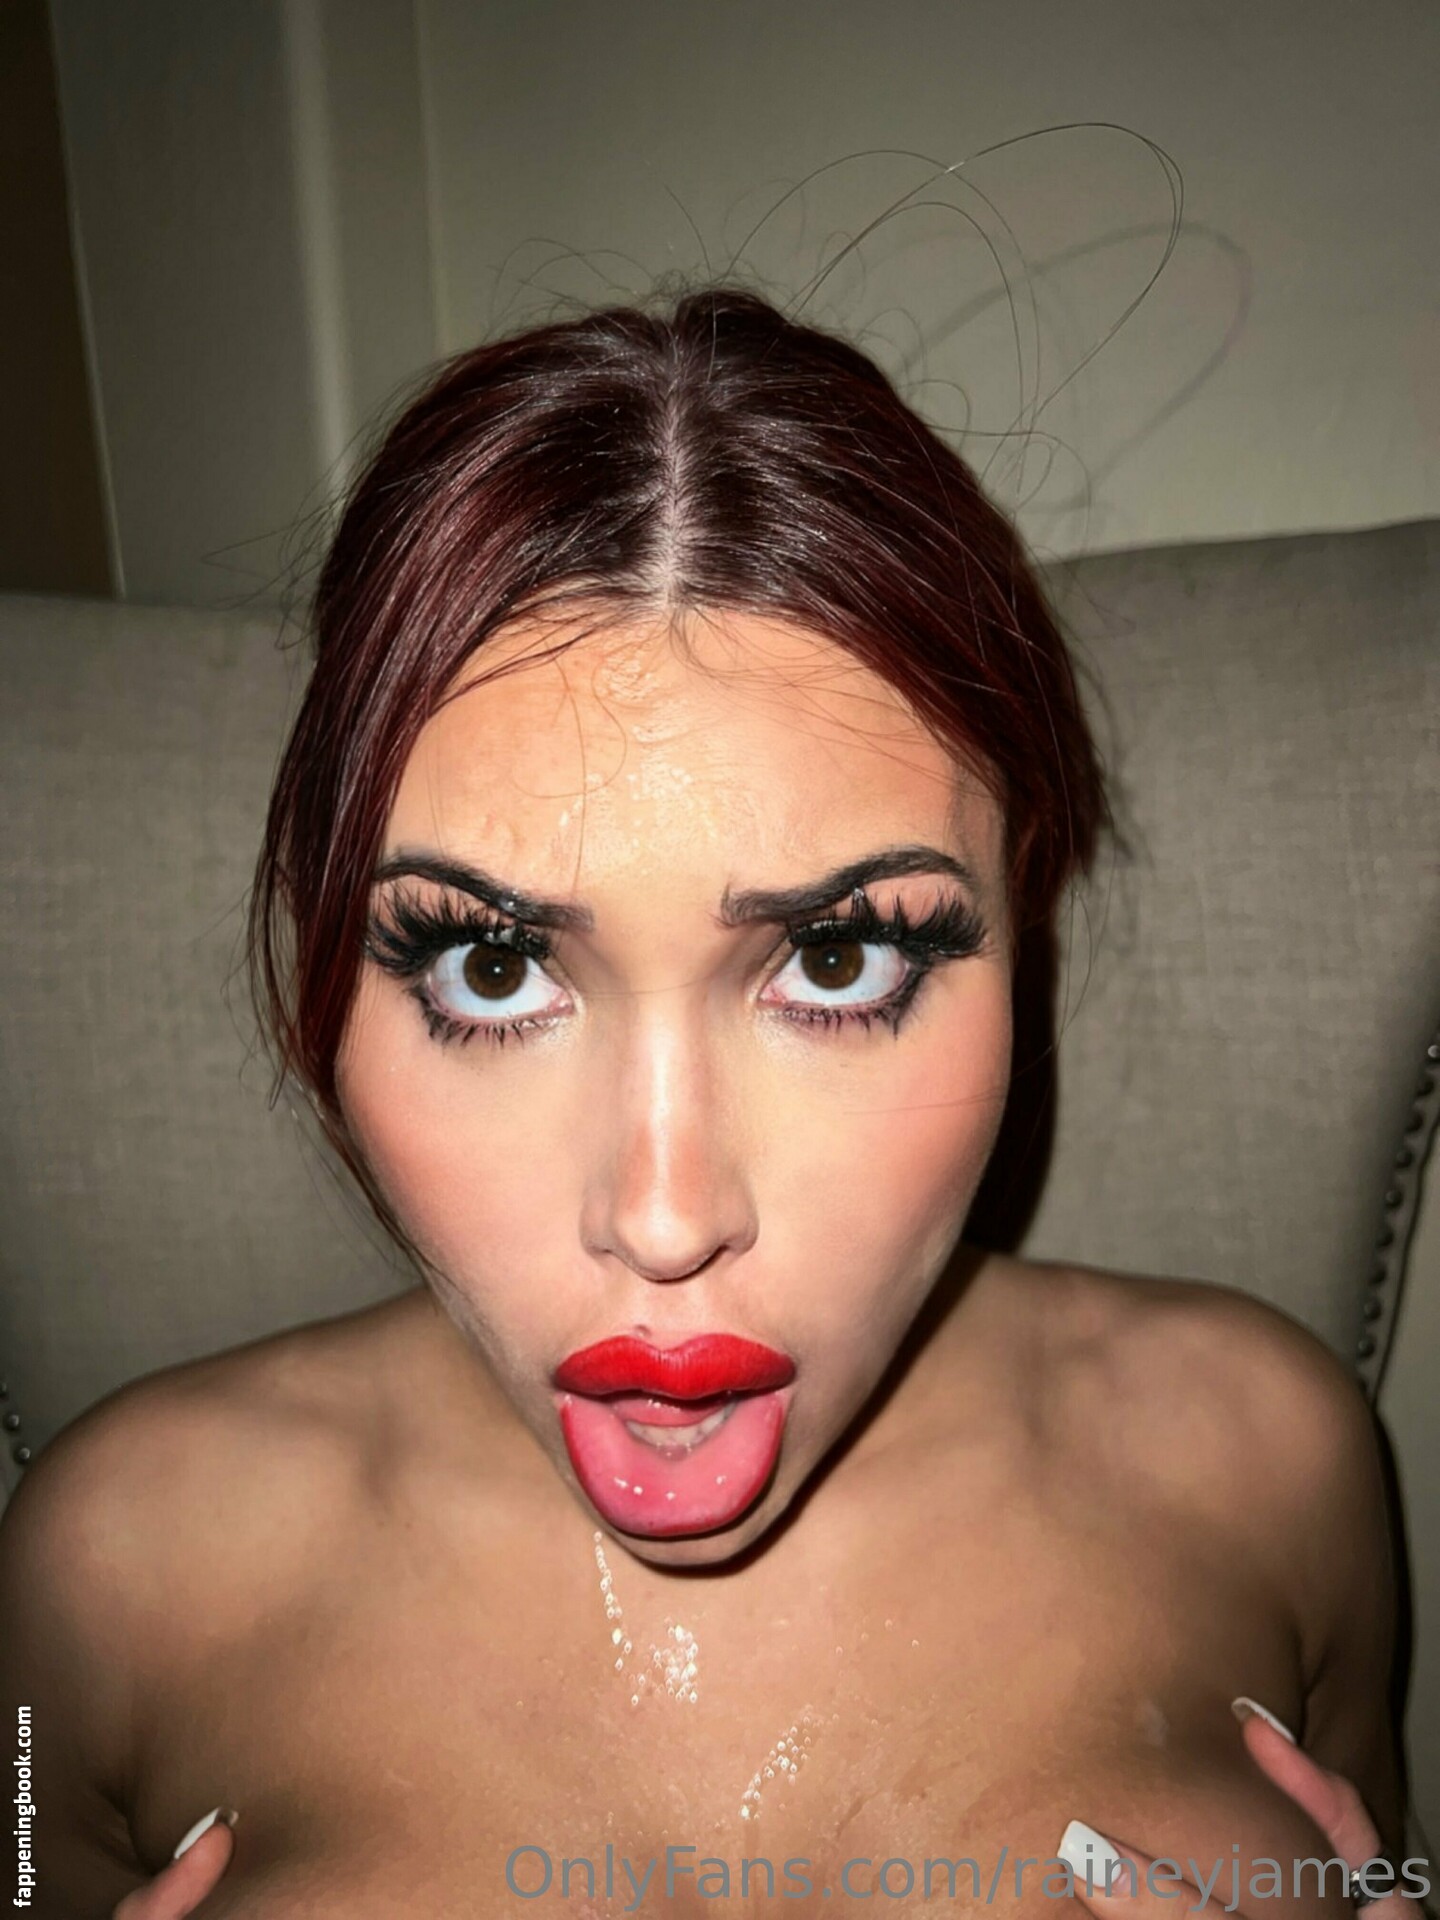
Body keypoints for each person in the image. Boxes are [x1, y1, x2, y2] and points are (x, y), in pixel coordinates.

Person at [0, 289, 1418, 1920]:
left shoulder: (1272, 1466)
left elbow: (1387, 1848)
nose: (667, 1219)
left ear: (1022, 915)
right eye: (490, 966)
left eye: (835, 959)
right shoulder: (101, 1576)